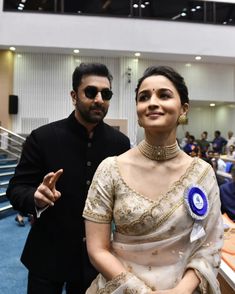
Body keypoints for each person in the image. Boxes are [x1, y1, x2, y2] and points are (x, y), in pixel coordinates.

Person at [83, 66, 224, 293]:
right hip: (122, 287)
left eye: (164, 95)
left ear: (183, 109)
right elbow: (97, 249)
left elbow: (209, 244)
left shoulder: (202, 173)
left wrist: (182, 290)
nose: (152, 102)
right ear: (138, 112)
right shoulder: (111, 169)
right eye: (144, 97)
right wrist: (140, 291)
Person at [6, 62, 130, 294]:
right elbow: (16, 188)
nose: (99, 99)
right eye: (91, 92)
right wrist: (36, 197)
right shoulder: (43, 138)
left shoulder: (120, 144)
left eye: (106, 93)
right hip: (47, 256)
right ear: (74, 96)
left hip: (96, 261)